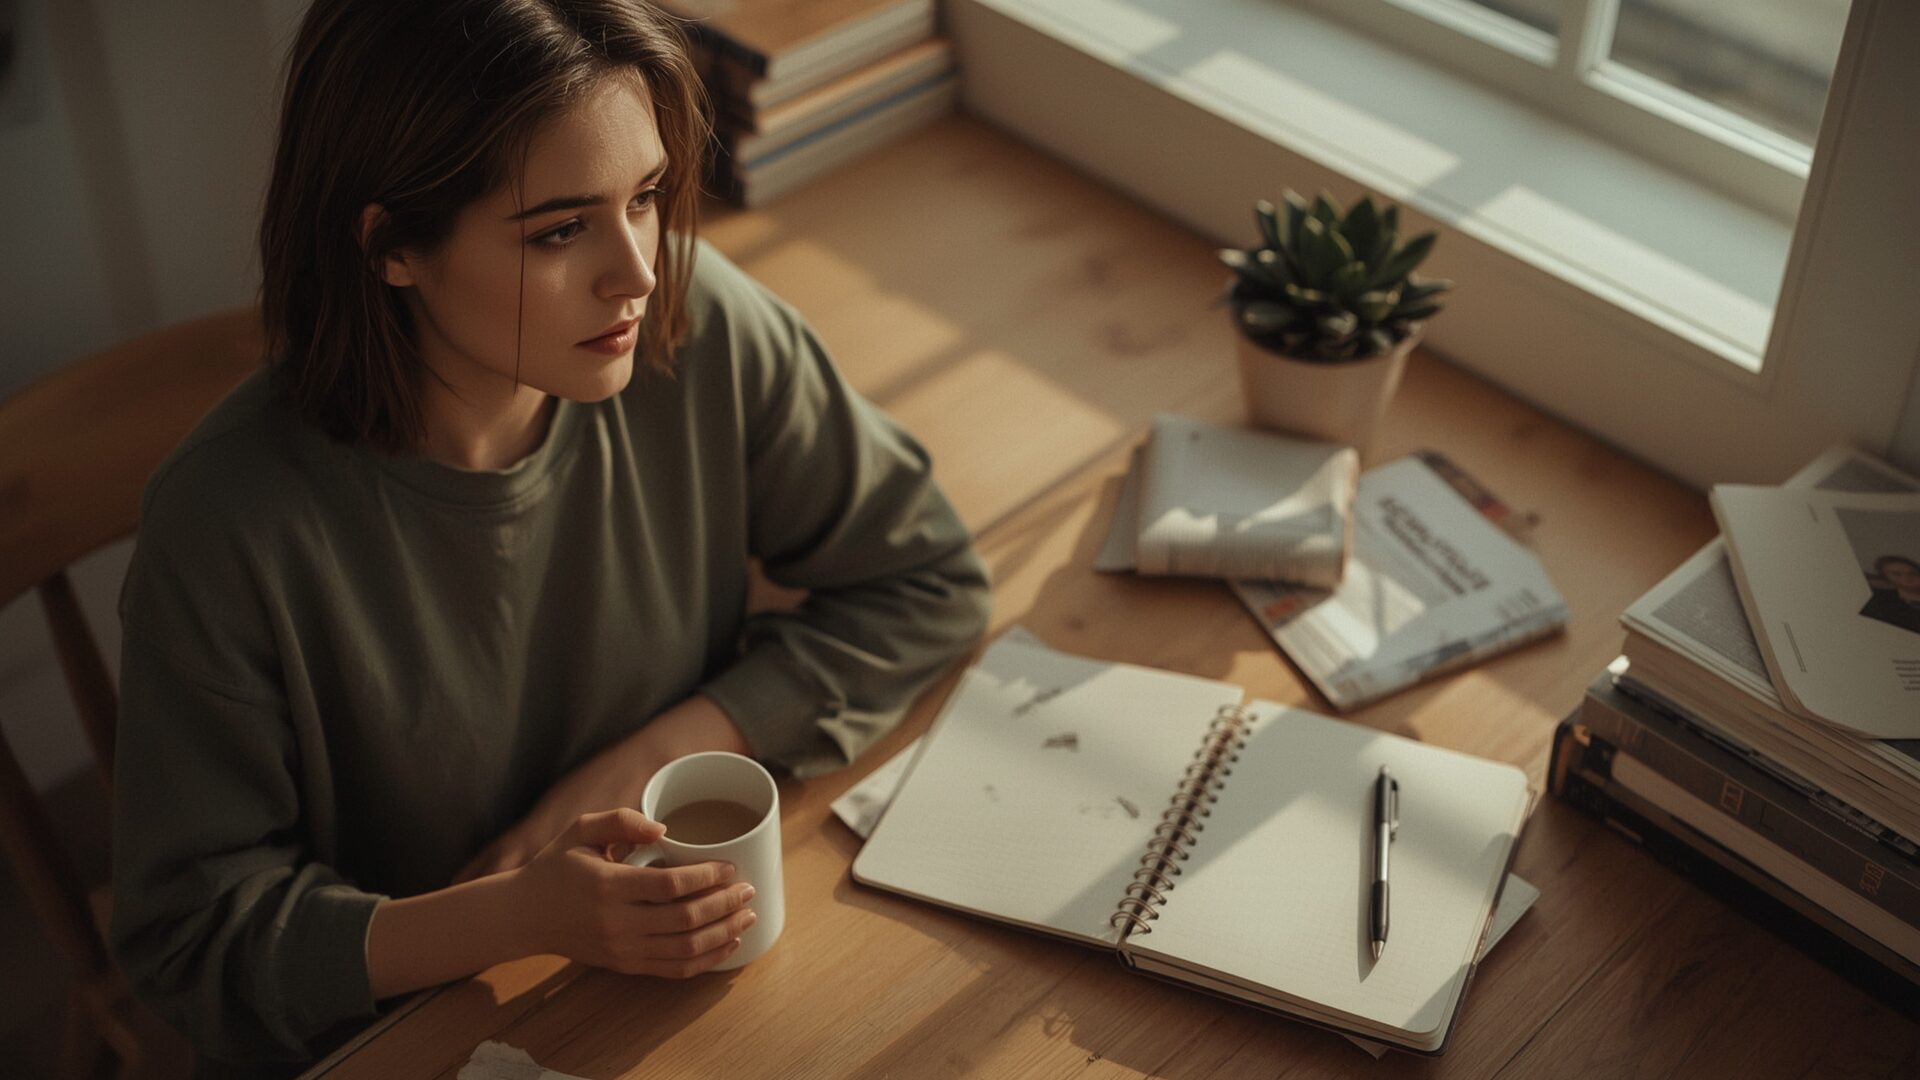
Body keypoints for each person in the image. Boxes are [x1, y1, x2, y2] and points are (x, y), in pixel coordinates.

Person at [107, 2, 990, 1075]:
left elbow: (925, 579)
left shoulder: (696, 328)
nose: (638, 272)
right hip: (418, 1029)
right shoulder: (228, 525)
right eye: (561, 230)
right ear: (391, 246)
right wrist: (512, 913)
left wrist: (656, 754)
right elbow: (191, 935)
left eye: (648, 197)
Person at [1859, 554, 1920, 635]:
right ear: (1885, 577)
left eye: (1913, 573)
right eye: (1897, 574)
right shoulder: (1883, 603)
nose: (1907, 577)